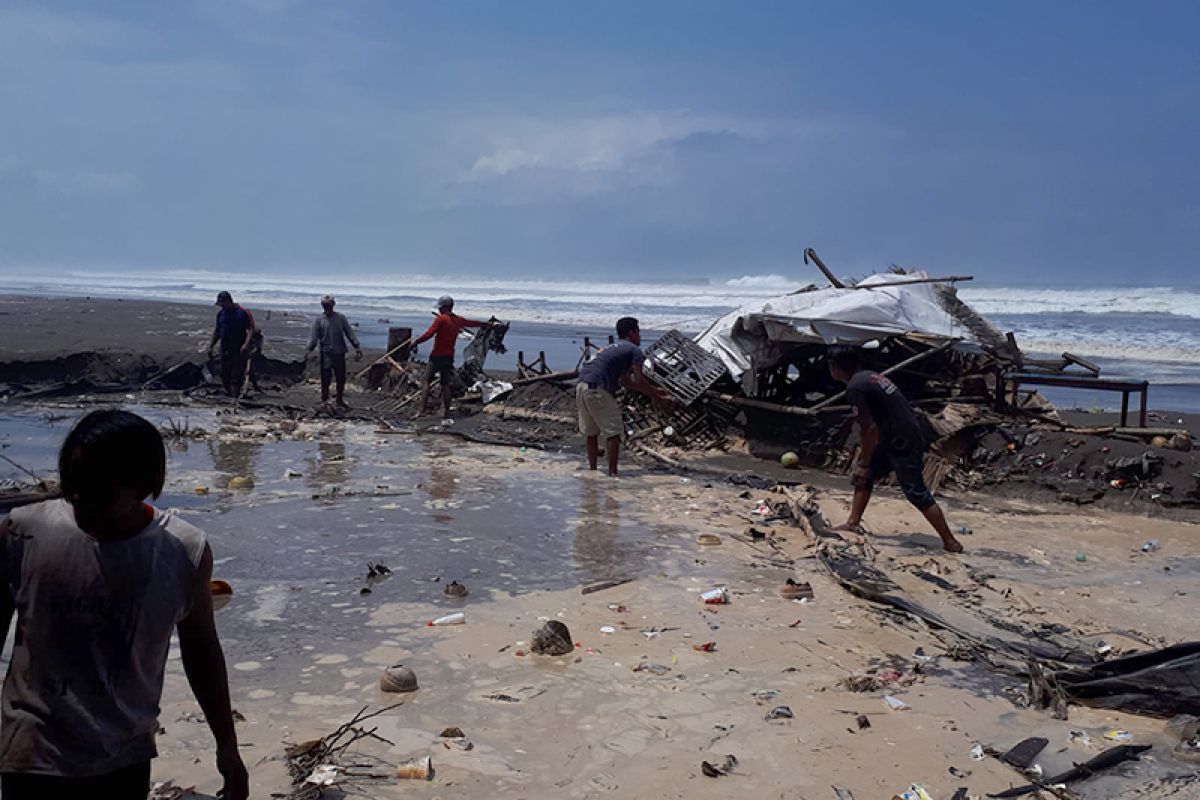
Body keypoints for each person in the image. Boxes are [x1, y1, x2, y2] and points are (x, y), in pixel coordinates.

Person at [0, 409, 249, 800]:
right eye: (74, 484)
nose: (81, 498)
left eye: (98, 488)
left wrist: (227, 746)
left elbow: (201, 651)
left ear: (144, 482)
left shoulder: (181, 550)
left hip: (123, 755)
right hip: (32, 750)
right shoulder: (25, 532)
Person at [826, 345, 964, 553]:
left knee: (915, 492)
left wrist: (863, 461)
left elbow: (868, 428)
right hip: (894, 435)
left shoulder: (855, 387)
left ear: (835, 368)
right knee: (865, 476)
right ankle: (853, 522)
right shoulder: (870, 377)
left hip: (902, 440)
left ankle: (950, 541)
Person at [576, 317, 671, 477]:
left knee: (592, 432)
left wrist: (654, 390)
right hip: (598, 388)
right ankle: (613, 474)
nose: (640, 337)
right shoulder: (634, 351)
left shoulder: (612, 348)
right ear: (632, 333)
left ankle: (593, 470)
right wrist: (657, 397)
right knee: (613, 433)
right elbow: (639, 380)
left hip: (581, 386)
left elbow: (627, 382)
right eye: (639, 332)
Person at [412, 296, 491, 420]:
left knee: (426, 381)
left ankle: (421, 410)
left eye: (440, 308)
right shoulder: (457, 320)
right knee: (446, 384)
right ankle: (446, 412)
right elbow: (471, 323)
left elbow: (429, 334)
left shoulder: (441, 319)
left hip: (436, 356)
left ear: (444, 307)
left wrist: (416, 342)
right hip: (449, 357)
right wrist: (485, 324)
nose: (439, 310)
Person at [306, 295, 363, 409]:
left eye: (329, 305)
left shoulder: (340, 318)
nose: (327, 307)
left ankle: (339, 399)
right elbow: (314, 337)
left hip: (339, 351)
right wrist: (309, 349)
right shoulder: (319, 320)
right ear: (322, 306)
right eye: (325, 305)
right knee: (325, 377)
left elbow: (349, 332)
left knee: (340, 377)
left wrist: (356, 346)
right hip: (326, 352)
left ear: (333, 305)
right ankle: (324, 399)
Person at [207, 291, 255, 398]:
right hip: (225, 348)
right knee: (224, 375)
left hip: (239, 348)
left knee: (236, 375)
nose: (221, 307)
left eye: (222, 304)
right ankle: (229, 394)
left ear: (229, 301)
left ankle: (235, 397)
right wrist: (211, 346)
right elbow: (217, 330)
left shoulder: (243, 312)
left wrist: (246, 345)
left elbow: (251, 329)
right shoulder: (220, 314)